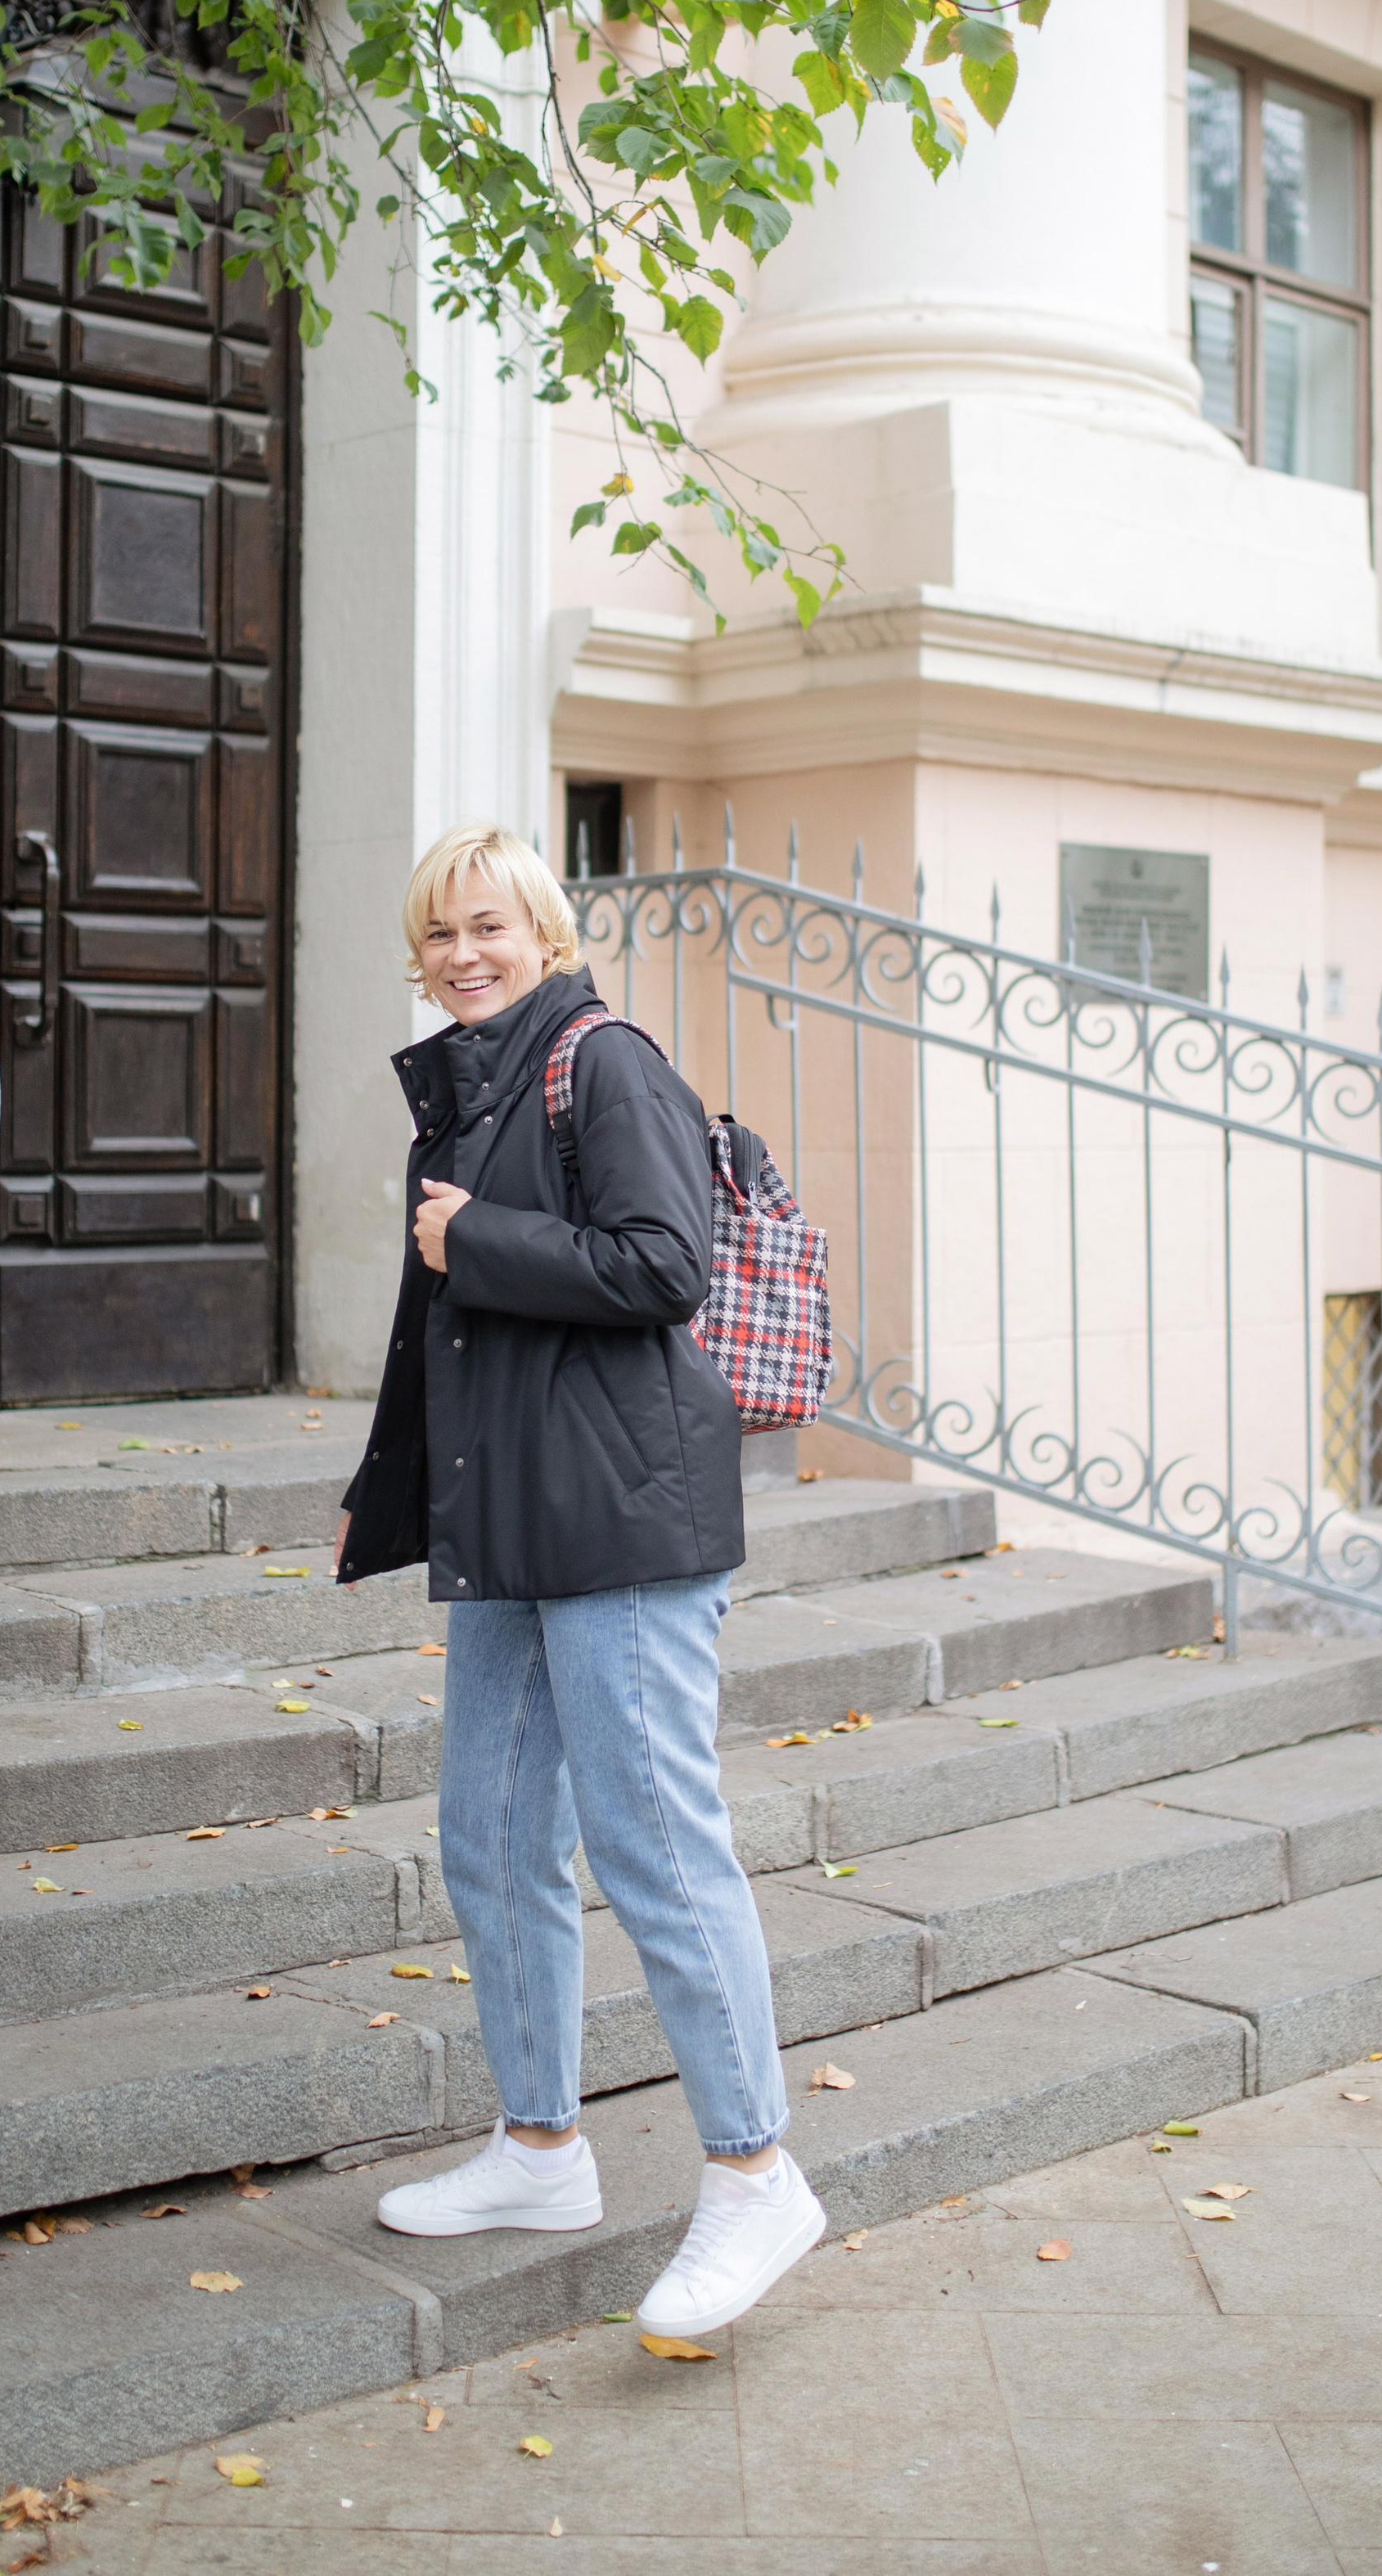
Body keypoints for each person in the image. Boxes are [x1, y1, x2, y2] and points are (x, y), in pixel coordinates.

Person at [334, 822, 826, 2334]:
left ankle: (756, 2174)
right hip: (514, 1529)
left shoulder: (601, 1060)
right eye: (439, 934)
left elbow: (663, 1263)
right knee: (485, 1840)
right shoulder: (471, 1085)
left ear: (544, 935)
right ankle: (541, 2145)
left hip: (623, 1528)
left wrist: (474, 1236)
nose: (464, 953)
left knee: (657, 1848)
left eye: (491, 926)